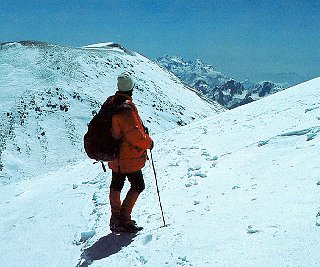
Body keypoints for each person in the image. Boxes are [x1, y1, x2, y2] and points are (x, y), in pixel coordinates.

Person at [107, 72, 153, 233]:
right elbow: (135, 136)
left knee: (116, 185)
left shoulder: (112, 103)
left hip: (115, 156)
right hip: (128, 157)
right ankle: (123, 219)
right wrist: (149, 142)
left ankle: (115, 218)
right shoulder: (125, 109)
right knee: (138, 185)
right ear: (131, 89)